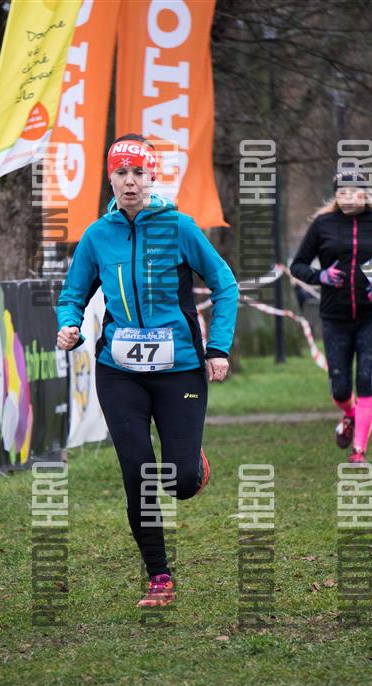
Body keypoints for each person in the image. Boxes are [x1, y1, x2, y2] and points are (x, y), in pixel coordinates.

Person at [56, 134, 238, 606]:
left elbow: (225, 284)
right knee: (137, 472)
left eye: (139, 172)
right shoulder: (98, 236)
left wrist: (218, 348)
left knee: (179, 481)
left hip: (180, 369)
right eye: (121, 173)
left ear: (152, 176)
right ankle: (159, 576)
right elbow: (73, 294)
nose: (130, 182)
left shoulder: (179, 227)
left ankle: (193, 466)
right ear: (110, 178)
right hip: (119, 371)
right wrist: (69, 325)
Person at [291, 169, 372, 463]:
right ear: (336, 195)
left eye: (354, 192)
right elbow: (298, 266)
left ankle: (358, 451)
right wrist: (321, 276)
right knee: (340, 388)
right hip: (334, 317)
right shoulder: (323, 225)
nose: (348, 198)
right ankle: (350, 414)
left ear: (366, 194)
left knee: (366, 378)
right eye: (342, 193)